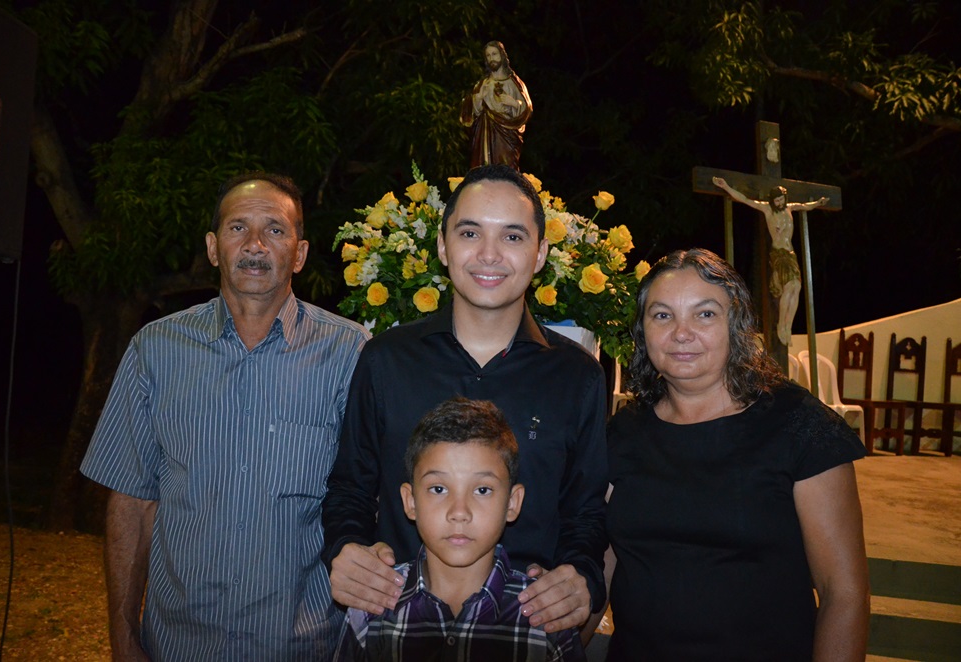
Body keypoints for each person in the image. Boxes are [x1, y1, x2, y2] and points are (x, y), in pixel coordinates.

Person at [80, 172, 369, 661]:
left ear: (299, 253)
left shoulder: (350, 353)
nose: (255, 244)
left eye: (274, 229)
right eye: (238, 228)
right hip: (179, 646)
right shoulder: (156, 349)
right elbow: (131, 501)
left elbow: (366, 496)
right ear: (214, 248)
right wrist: (124, 638)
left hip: (301, 647)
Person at [322, 164, 608, 641]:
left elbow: (586, 512)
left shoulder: (577, 376)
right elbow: (350, 487)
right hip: (399, 626)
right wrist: (346, 547)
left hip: (525, 630)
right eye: (470, 233)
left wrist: (582, 576)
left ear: (540, 253)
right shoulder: (386, 360)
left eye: (512, 237)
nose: (489, 254)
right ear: (442, 246)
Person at [605, 248, 869, 661]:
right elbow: (603, 564)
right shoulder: (623, 432)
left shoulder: (800, 426)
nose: (681, 333)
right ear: (642, 330)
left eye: (705, 314)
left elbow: (844, 593)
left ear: (737, 325)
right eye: (662, 315)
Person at [333, 397, 586, 661]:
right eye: (438, 489)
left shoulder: (547, 613)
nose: (459, 512)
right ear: (410, 502)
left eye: (482, 490)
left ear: (512, 503)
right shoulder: (370, 606)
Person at [711, 176, 828, 345]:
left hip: (790, 253)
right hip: (779, 254)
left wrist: (818, 203)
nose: (779, 203)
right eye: (776, 200)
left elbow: (805, 206)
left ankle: (788, 325)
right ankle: (781, 324)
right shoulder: (767, 209)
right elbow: (745, 199)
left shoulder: (790, 208)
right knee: (789, 286)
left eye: (781, 199)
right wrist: (726, 187)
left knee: (796, 287)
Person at [460, 40, 533, 170]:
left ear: (502, 55)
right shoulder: (483, 84)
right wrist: (478, 97)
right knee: (485, 170)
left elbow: (527, 108)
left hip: (507, 136)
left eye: (494, 54)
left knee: (507, 170)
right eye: (488, 56)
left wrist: (514, 103)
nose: (491, 58)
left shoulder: (514, 83)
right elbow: (471, 113)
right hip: (485, 134)